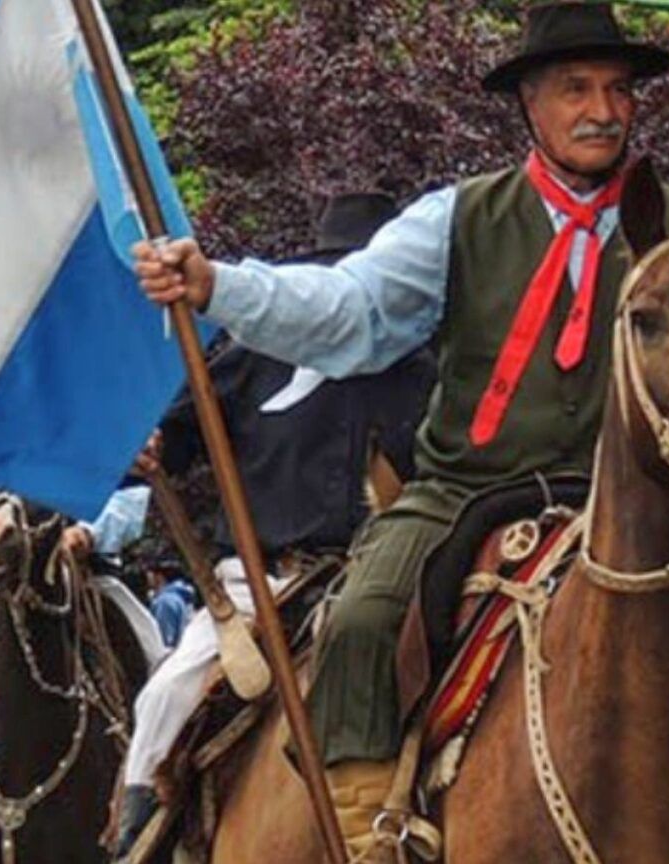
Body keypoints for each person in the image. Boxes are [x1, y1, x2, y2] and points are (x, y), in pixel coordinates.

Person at [129, 5, 669, 859]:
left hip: (622, 487)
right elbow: (349, 311)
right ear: (530, 103)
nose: (603, 110)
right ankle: (362, 832)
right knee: (361, 617)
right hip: (466, 488)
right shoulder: (457, 218)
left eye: (617, 90)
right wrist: (218, 287)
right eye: (576, 89)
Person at [115, 192, 437, 855]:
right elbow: (177, 436)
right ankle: (136, 842)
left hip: (391, 576)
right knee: (166, 695)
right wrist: (148, 447)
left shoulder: (425, 369)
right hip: (258, 582)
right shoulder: (248, 356)